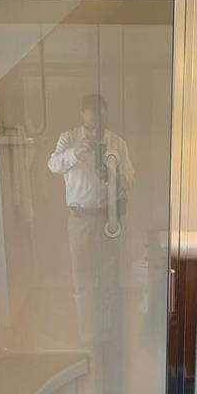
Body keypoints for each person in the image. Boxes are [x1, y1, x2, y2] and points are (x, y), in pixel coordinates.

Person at [48, 95, 134, 344]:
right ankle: (86, 334)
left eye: (100, 126)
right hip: (80, 218)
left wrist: (113, 176)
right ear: (81, 117)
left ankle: (105, 332)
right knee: (82, 279)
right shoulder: (68, 139)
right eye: (89, 126)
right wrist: (76, 153)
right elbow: (52, 165)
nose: (95, 132)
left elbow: (131, 178)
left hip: (109, 217)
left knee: (108, 278)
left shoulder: (117, 143)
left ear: (107, 119)